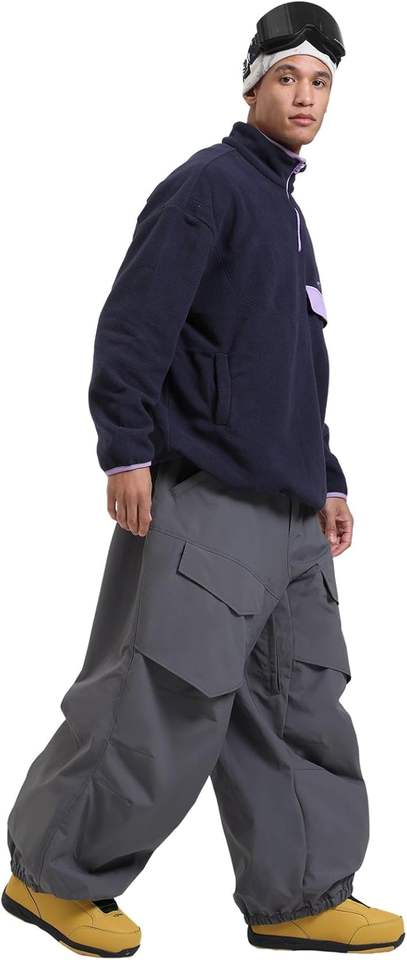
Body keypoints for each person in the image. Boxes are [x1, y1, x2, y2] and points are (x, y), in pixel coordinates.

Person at [2, 3, 404, 955]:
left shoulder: (287, 213)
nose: (304, 97)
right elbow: (134, 326)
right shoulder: (208, 187)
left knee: (299, 707)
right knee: (159, 698)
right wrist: (126, 450)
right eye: (286, 78)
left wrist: (327, 477)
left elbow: (292, 373)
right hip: (209, 497)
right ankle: (52, 878)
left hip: (291, 513)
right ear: (251, 83)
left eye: (321, 83)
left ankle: (300, 893)